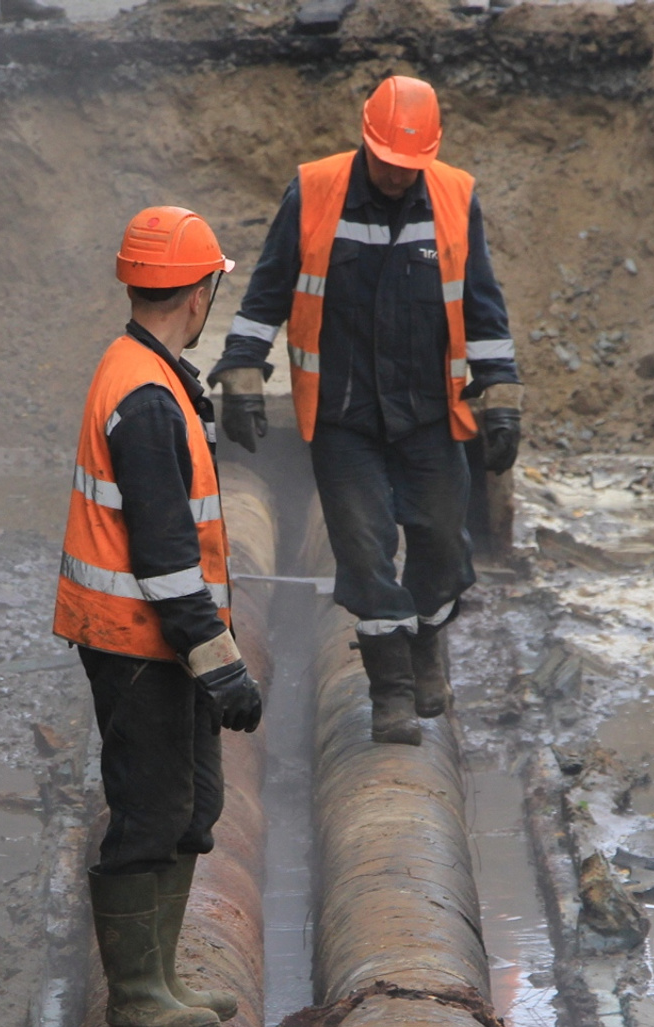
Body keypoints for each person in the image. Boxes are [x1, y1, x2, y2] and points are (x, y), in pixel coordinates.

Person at [210, 74, 523, 746]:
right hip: (345, 416)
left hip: (428, 413)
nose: (394, 176)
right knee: (363, 550)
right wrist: (241, 367)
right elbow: (267, 287)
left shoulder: (453, 196)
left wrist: (499, 393)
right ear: (365, 138)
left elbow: (482, 303)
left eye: (409, 165)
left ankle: (427, 644)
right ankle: (390, 692)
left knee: (440, 541)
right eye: (386, 161)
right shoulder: (315, 189)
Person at [55, 206, 263, 1027]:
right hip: (138, 641)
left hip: (158, 638)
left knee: (193, 804)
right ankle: (137, 996)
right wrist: (218, 661)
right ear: (202, 290)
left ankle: (162, 976)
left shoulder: (154, 372)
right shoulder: (143, 396)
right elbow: (166, 551)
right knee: (147, 809)